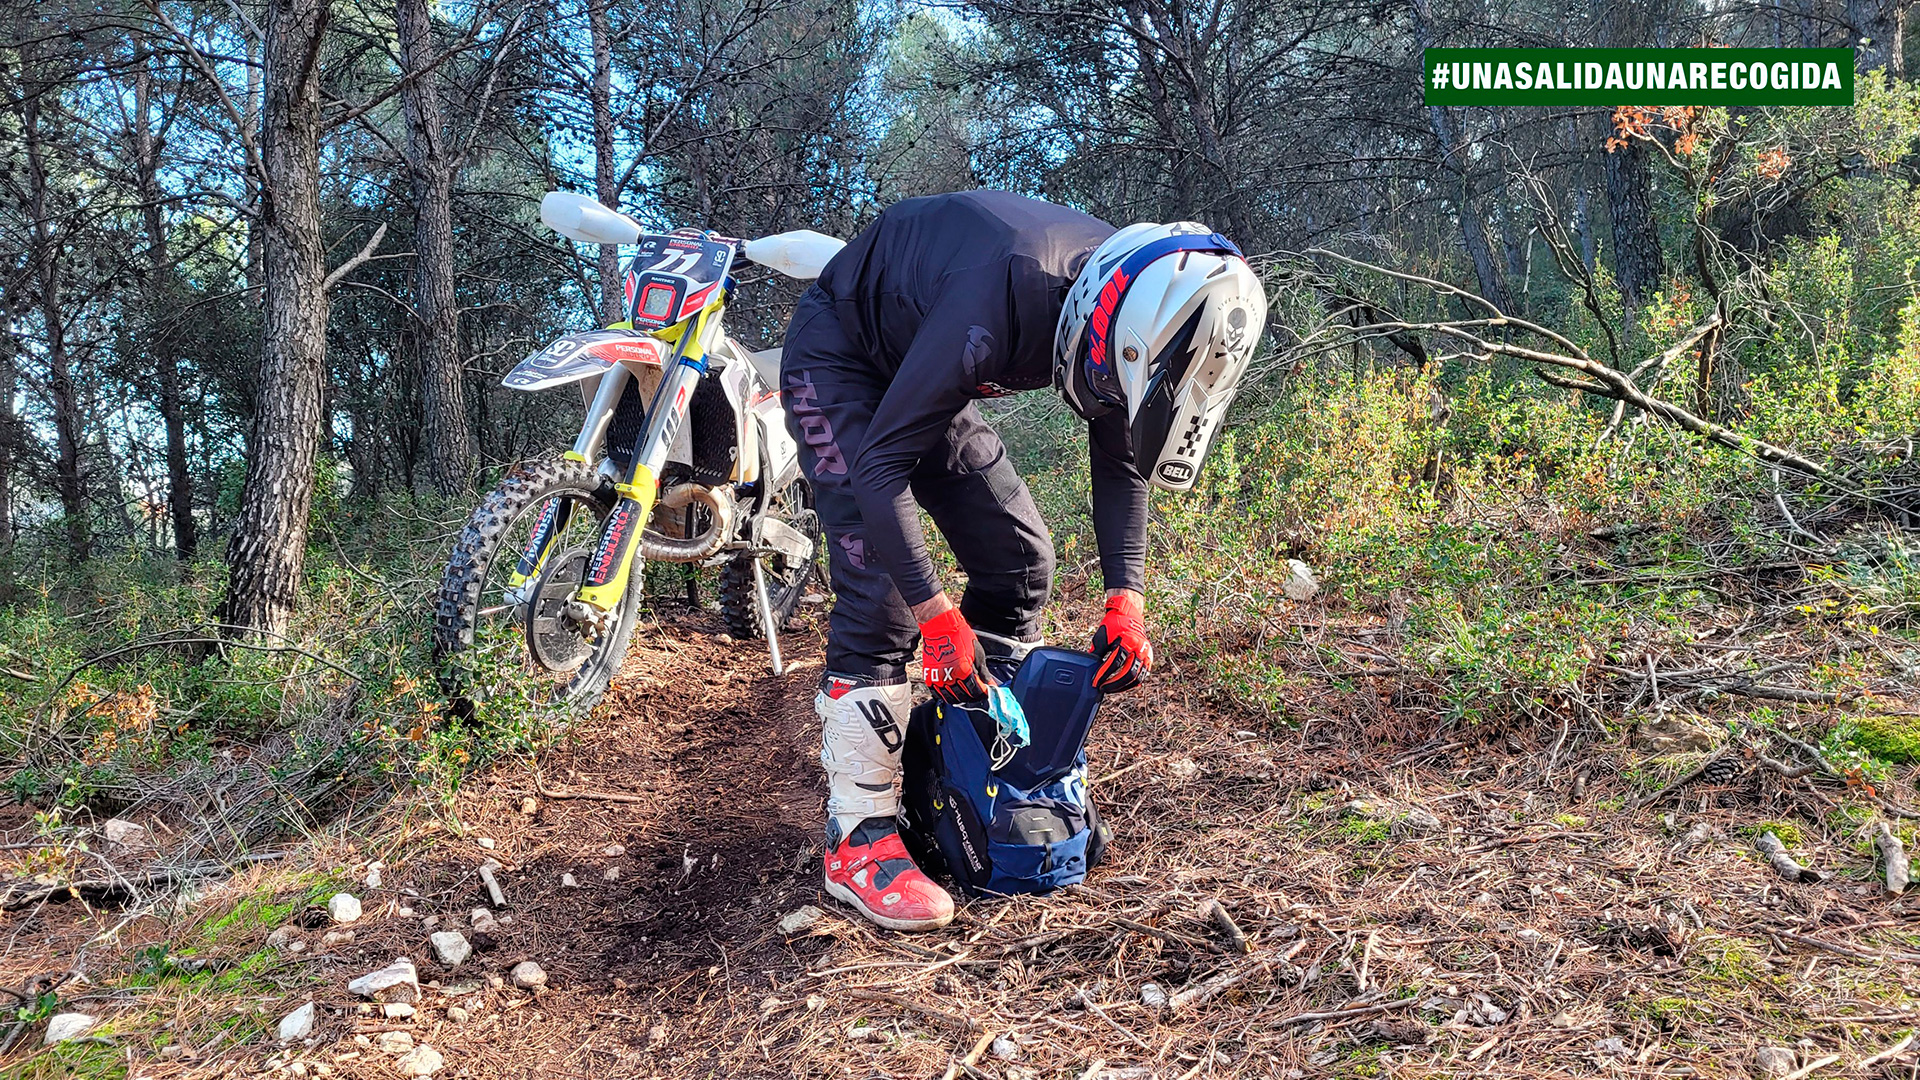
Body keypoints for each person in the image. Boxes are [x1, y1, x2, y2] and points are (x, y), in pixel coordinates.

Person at [780, 190, 1267, 931]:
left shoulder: (1134, 288)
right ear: (1106, 332)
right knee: (881, 586)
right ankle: (858, 836)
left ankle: (974, 771)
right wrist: (937, 616)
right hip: (841, 355)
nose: (1101, 391)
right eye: (1106, 378)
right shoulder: (1003, 297)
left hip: (926, 361)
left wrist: (1124, 600)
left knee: (1019, 559)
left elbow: (1124, 457)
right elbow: (879, 466)